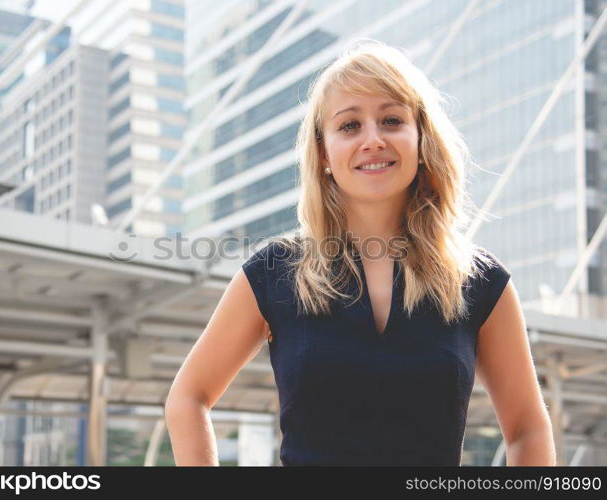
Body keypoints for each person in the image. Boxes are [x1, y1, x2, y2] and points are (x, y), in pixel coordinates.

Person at [164, 40, 556, 466]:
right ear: (323, 152)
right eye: (349, 126)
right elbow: (188, 397)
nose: (373, 139)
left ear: (421, 139)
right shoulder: (274, 272)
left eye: (391, 120)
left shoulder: (480, 282)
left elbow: (527, 429)